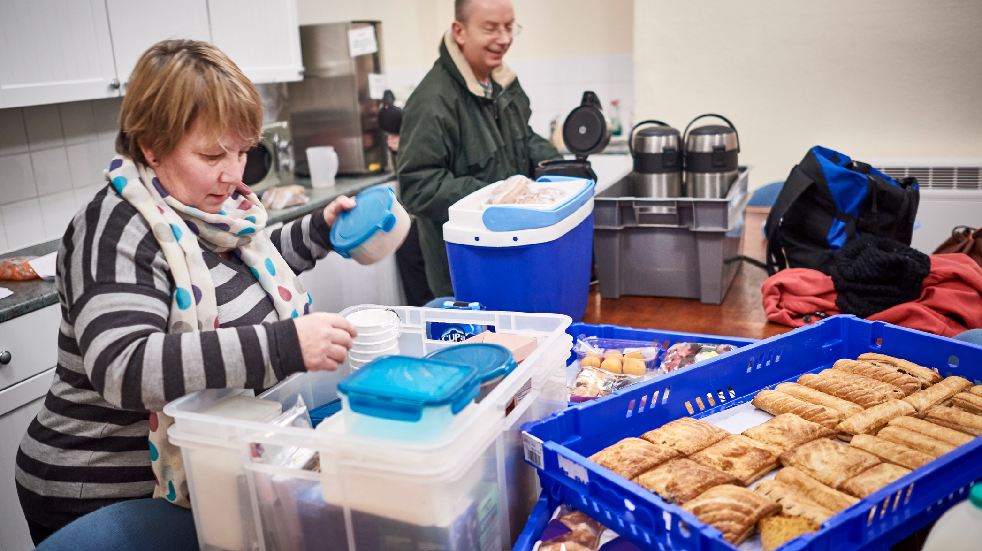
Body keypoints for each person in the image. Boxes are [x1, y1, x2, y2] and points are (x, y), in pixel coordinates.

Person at [15, 39, 358, 546]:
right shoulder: (114, 227)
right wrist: (284, 345)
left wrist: (321, 231)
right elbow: (125, 367)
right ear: (151, 145)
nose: (233, 173)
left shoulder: (199, 208)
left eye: (243, 152)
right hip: (104, 494)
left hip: (199, 476)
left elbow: (237, 267)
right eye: (212, 154)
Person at [397, 0, 561, 297]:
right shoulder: (432, 101)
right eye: (491, 28)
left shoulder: (503, 84)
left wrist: (559, 169)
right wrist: (494, 197)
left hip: (515, 257)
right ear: (460, 31)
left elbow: (523, 137)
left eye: (509, 27)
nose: (504, 38)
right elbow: (417, 187)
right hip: (466, 273)